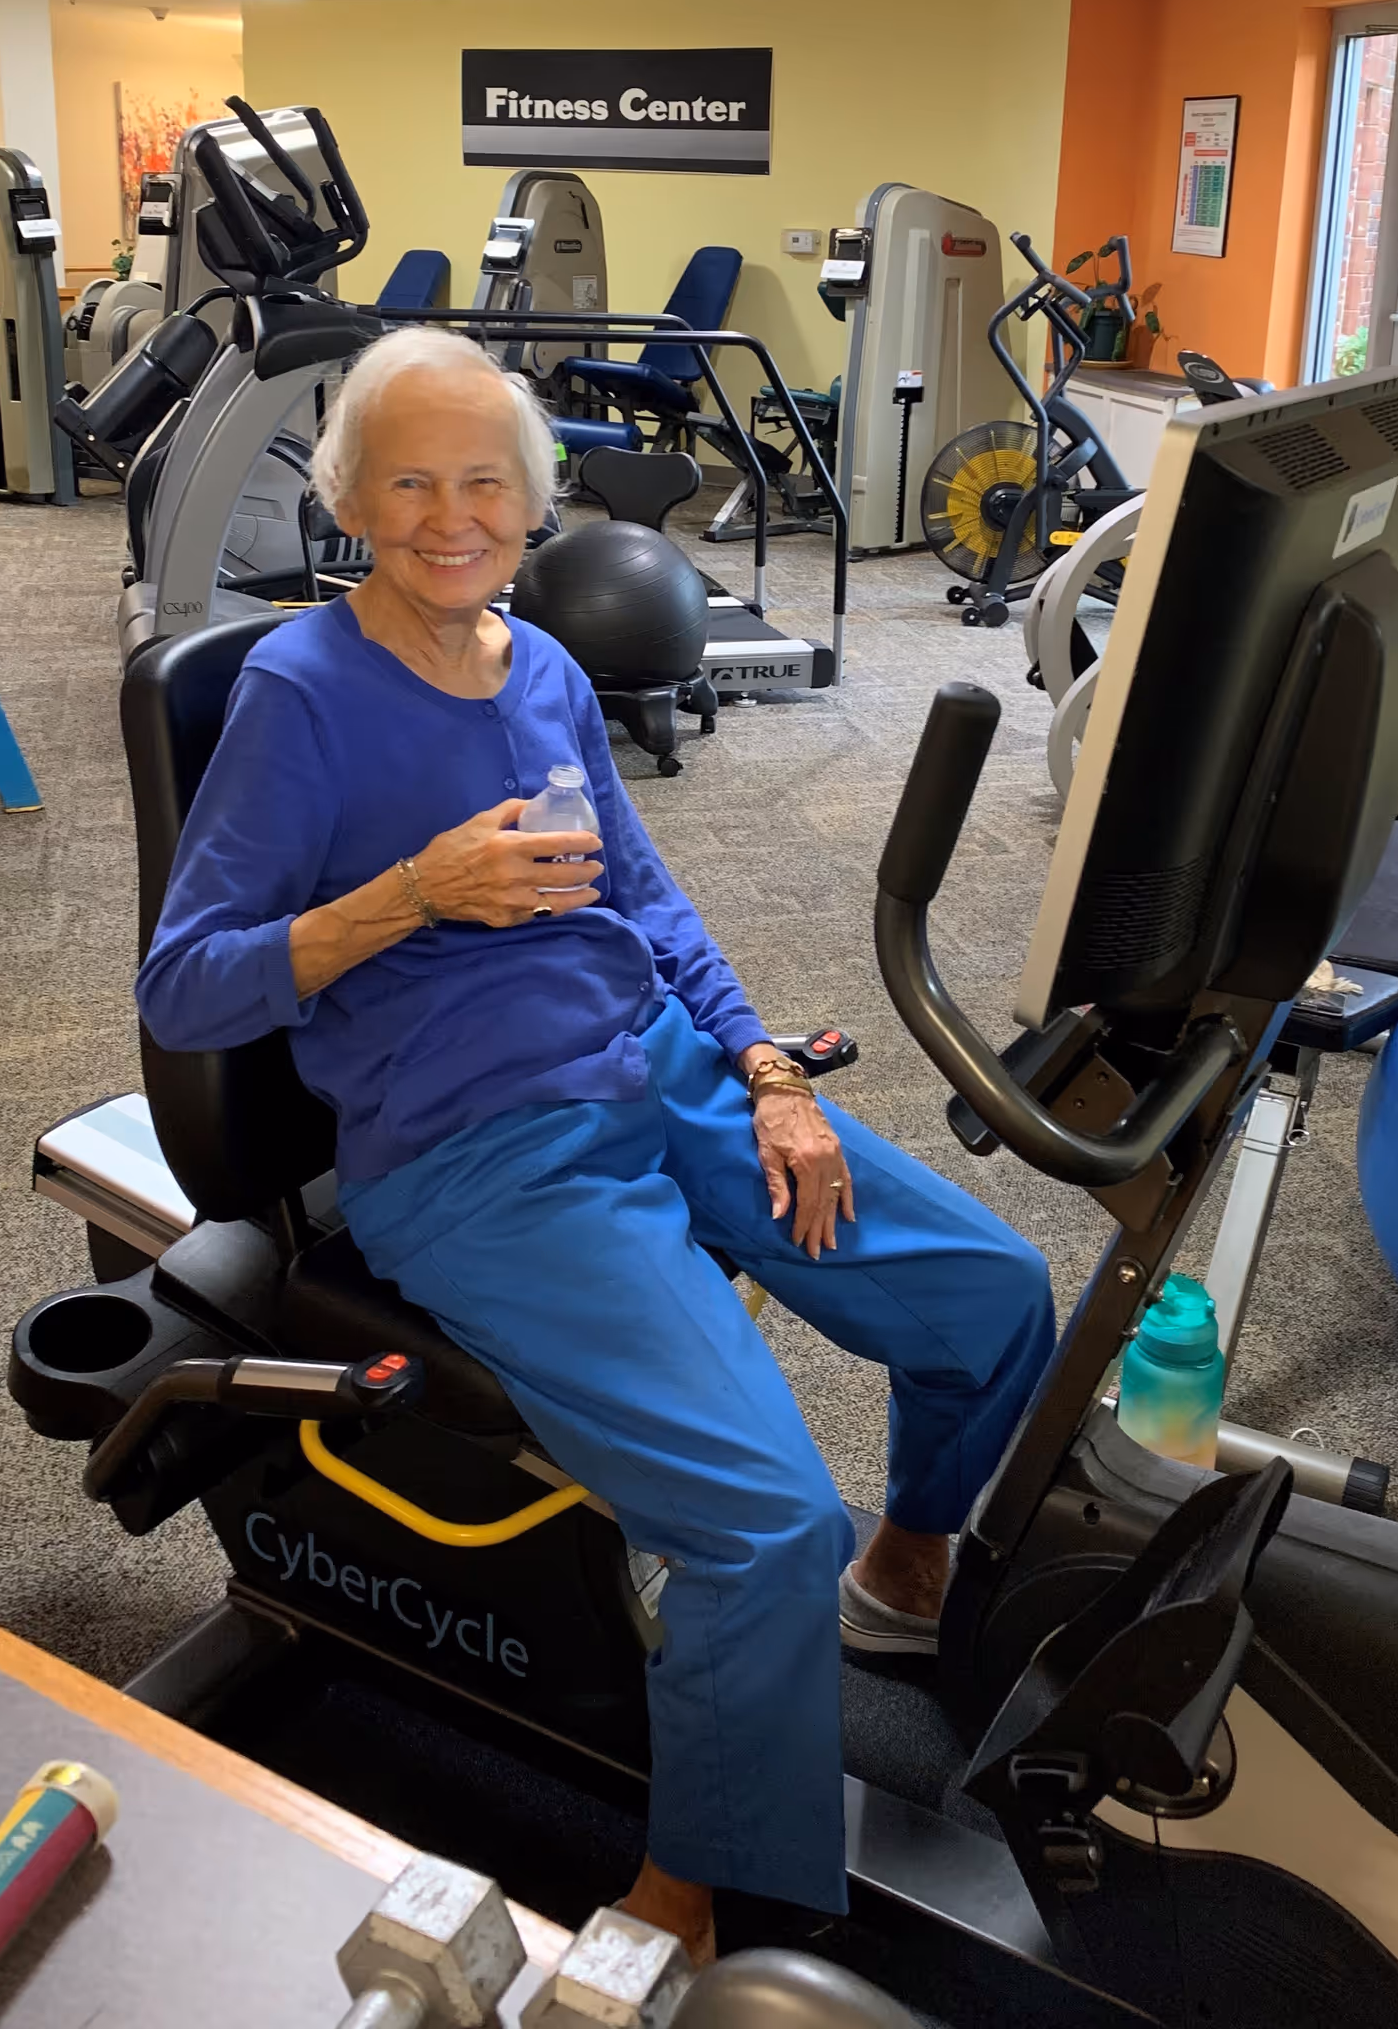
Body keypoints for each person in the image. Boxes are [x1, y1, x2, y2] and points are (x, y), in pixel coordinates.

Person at [136, 327, 1055, 1960]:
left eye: (483, 479)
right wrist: (411, 894)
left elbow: (643, 894)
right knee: (762, 1521)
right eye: (407, 478)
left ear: (532, 501)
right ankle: (679, 1898)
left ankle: (905, 1571)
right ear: (347, 494)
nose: (448, 513)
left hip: (665, 1073)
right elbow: (188, 986)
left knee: (990, 1291)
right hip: (481, 1153)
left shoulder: (541, 663)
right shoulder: (298, 693)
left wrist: (767, 1066)